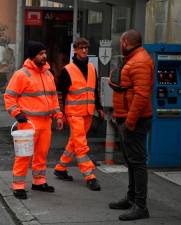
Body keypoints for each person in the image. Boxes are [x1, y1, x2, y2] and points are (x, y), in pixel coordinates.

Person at [4, 41, 64, 200]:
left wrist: (58, 115)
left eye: (45, 53)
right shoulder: (21, 74)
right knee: (24, 155)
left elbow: (53, 98)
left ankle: (39, 181)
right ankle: (18, 186)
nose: (44, 56)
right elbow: (9, 97)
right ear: (32, 56)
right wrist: (17, 114)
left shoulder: (48, 74)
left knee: (41, 154)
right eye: (40, 53)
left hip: (45, 122)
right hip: (27, 123)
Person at [108, 29, 153, 221]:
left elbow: (142, 96)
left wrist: (130, 122)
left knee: (137, 162)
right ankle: (132, 198)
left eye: (121, 42)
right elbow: (130, 89)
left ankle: (140, 206)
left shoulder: (140, 61)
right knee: (131, 162)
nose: (120, 44)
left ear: (126, 42)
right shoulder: (134, 59)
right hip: (125, 118)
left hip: (134, 120)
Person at [53, 37, 104, 191]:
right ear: (74, 50)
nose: (84, 50)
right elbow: (60, 94)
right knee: (81, 144)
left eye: (86, 48)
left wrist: (99, 108)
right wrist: (60, 114)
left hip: (88, 112)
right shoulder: (67, 70)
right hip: (74, 113)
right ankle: (90, 176)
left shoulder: (91, 69)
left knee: (74, 142)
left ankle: (60, 168)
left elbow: (94, 91)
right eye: (81, 48)